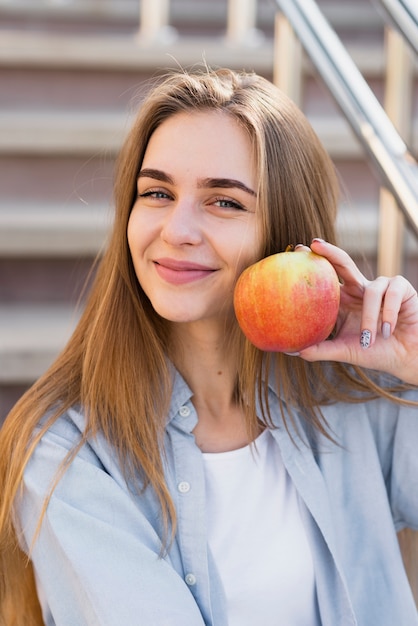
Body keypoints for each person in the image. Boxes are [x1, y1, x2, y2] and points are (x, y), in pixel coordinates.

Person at [0, 66, 417, 626]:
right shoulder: (67, 453)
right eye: (157, 193)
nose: (177, 229)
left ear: (286, 237)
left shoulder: (353, 402)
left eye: (224, 202)